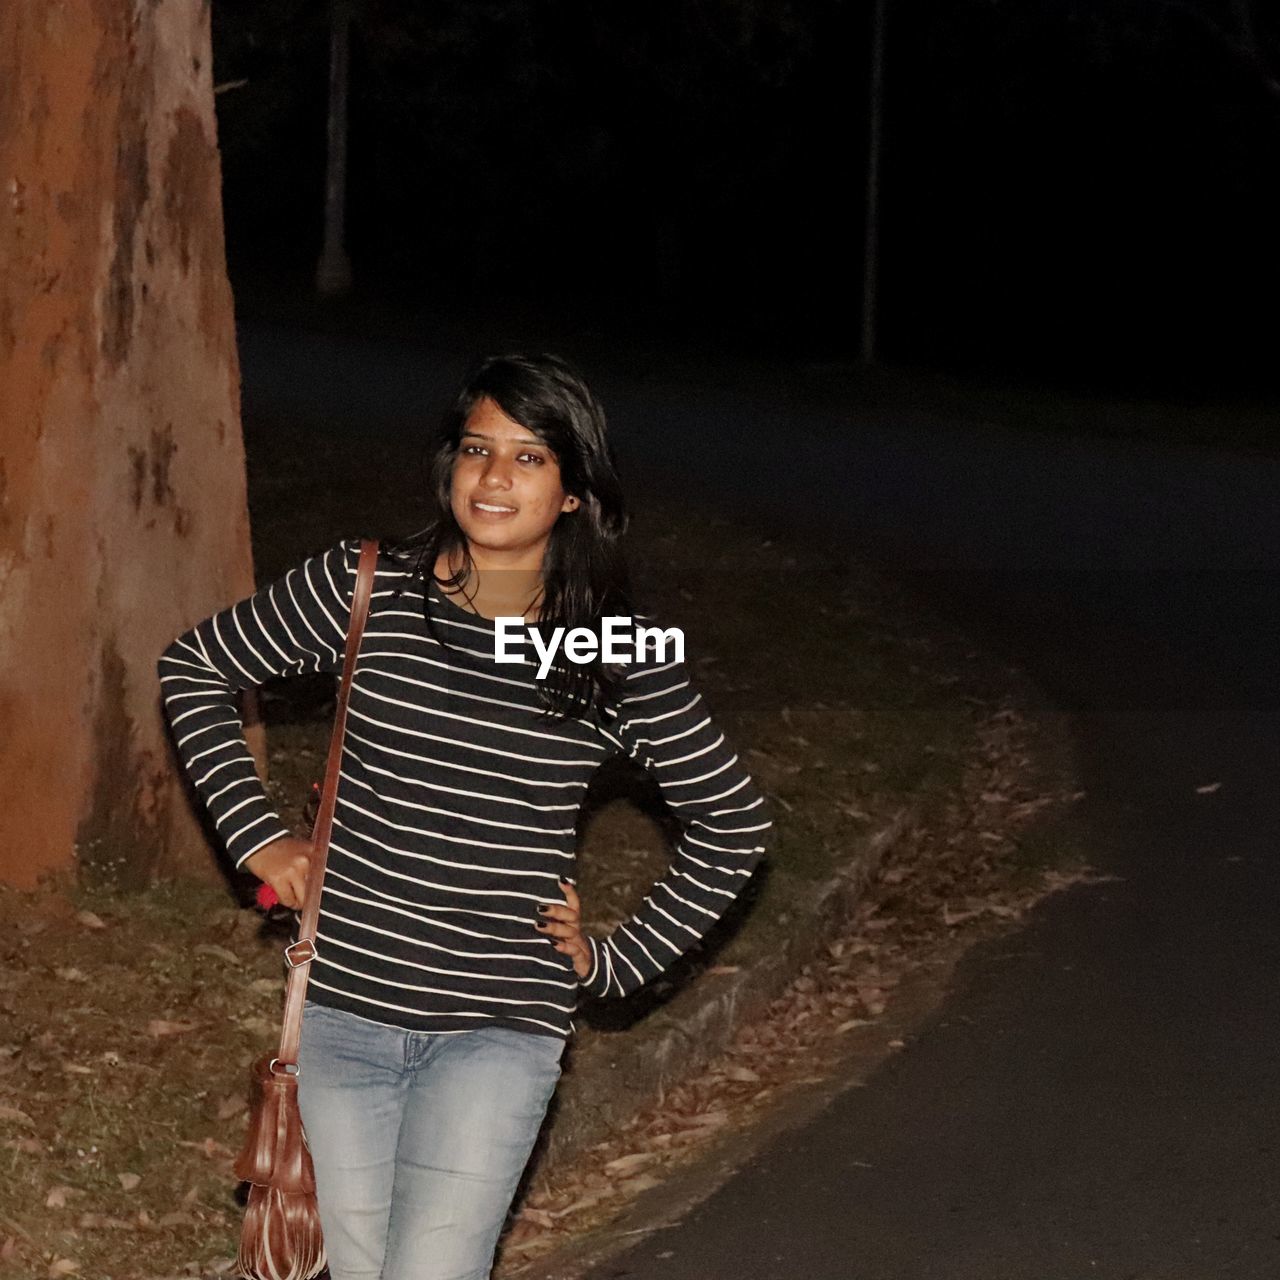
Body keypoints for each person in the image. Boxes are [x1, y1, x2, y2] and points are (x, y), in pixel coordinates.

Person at [158, 353, 770, 1280]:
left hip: (500, 1023)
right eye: (479, 449)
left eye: (530, 458)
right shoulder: (364, 590)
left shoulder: (613, 651)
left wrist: (614, 964)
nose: (494, 477)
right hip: (346, 1012)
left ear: (573, 493)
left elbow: (734, 825)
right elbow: (194, 668)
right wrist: (259, 836)